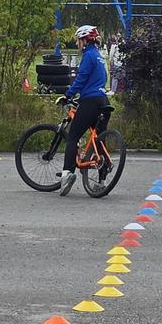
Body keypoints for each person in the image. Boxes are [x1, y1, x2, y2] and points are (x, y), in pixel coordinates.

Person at [58, 25, 110, 196]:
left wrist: (68, 95)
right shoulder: (100, 57)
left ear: (85, 40)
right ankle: (102, 181)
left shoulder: (88, 56)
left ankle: (67, 174)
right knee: (99, 140)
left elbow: (81, 79)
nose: (76, 43)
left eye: (78, 40)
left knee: (73, 136)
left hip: (90, 101)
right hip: (103, 100)